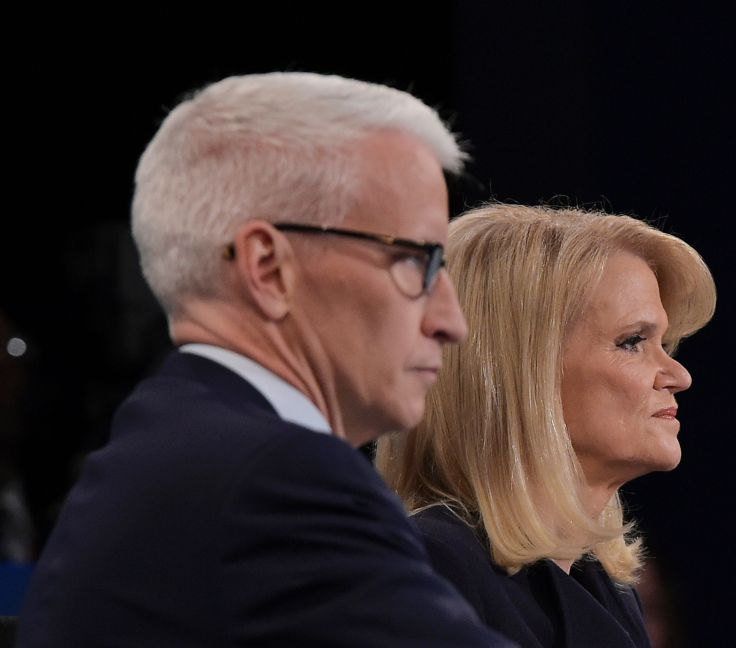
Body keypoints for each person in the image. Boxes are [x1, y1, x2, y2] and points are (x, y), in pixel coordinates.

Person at [18, 73, 514, 646]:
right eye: (416, 260)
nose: (452, 321)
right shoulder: (280, 482)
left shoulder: (176, 439)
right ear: (268, 269)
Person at [377, 204, 716, 648]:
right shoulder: (430, 572)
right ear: (522, 373)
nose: (679, 375)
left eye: (664, 343)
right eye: (633, 341)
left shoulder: (607, 588)